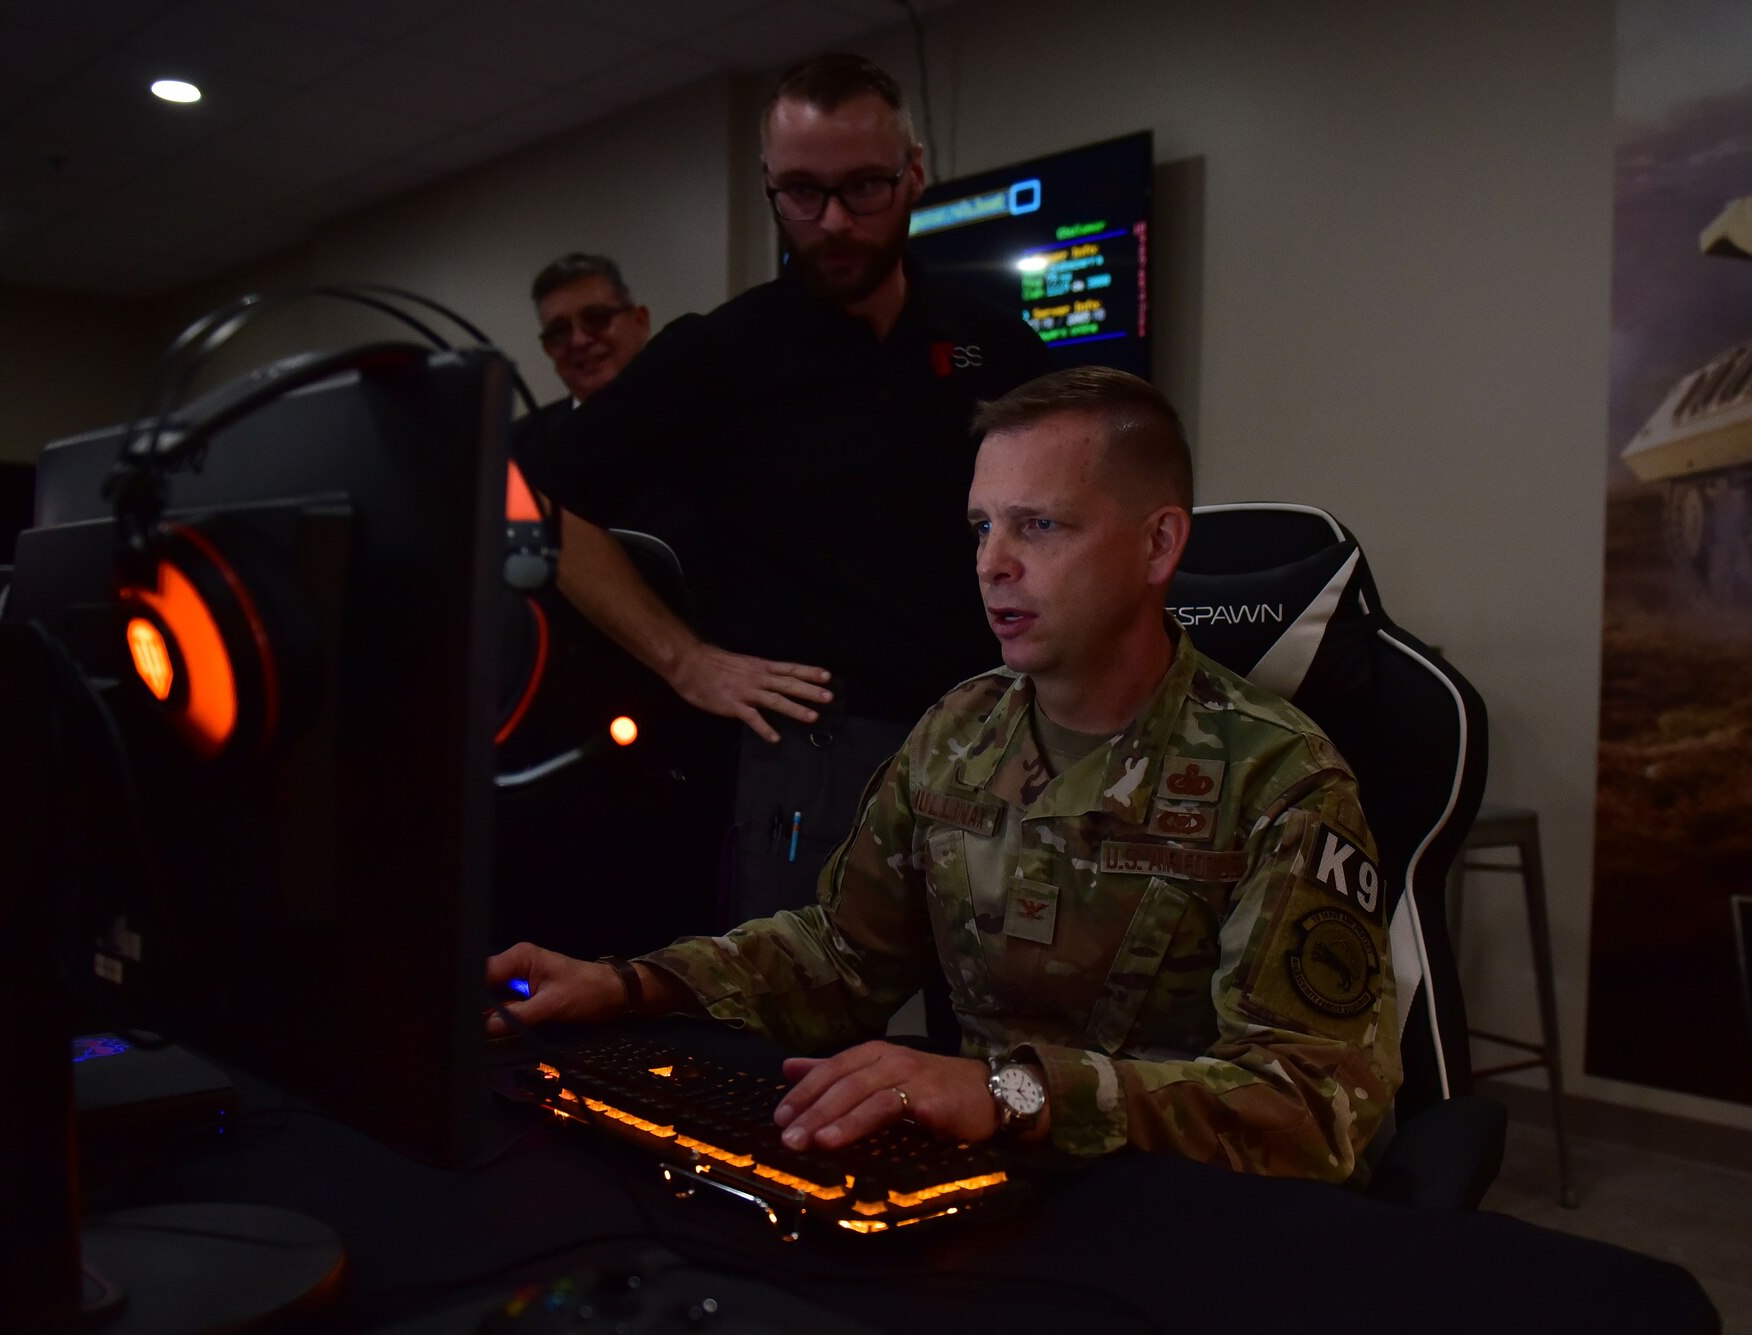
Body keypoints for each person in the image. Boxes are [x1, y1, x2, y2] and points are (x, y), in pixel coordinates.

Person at [488, 367, 1401, 1183]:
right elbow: (840, 959)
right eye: (981, 527)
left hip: (1180, 1216)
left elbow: (1316, 1109)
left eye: (1038, 526)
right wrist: (628, 984)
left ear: (1159, 547)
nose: (991, 565)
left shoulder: (1281, 776)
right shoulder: (959, 732)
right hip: (984, 1193)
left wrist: (1011, 1094)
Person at [543, 54, 1052, 923]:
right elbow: (538, 506)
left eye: (864, 189)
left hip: (999, 737)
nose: (835, 223)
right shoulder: (722, 353)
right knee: (803, 1047)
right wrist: (686, 660)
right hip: (816, 758)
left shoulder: (988, 341)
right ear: (769, 187)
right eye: (802, 195)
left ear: (914, 174)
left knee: (992, 1031)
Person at [511, 253, 652, 495]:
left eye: (596, 318)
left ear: (640, 322)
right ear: (548, 349)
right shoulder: (515, 447)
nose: (578, 340)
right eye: (559, 331)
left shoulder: (702, 417)